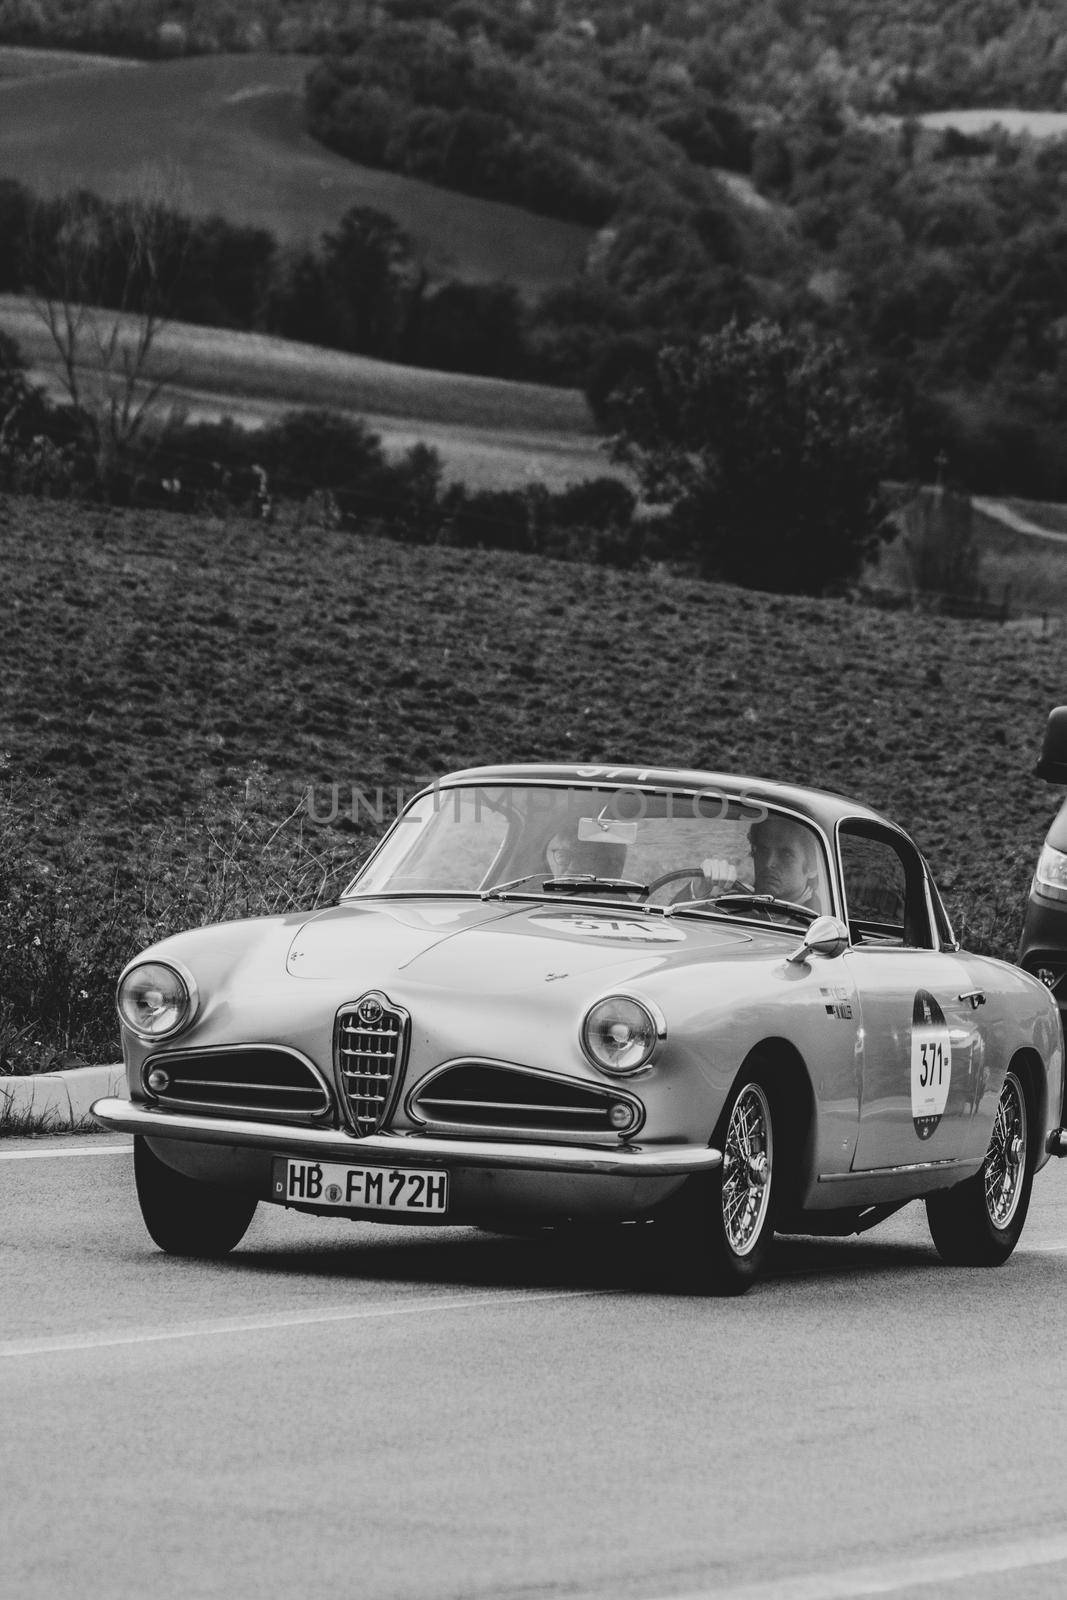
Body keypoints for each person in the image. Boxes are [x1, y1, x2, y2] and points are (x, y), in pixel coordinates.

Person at [689, 815, 824, 911]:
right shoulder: (729, 903)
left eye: (786, 854)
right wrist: (700, 889)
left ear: (812, 867)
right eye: (763, 850)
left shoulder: (822, 921)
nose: (768, 863)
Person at [545, 827, 627, 879]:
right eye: (563, 856)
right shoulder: (539, 896)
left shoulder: (618, 903)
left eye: (586, 858)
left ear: (608, 867)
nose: (573, 867)